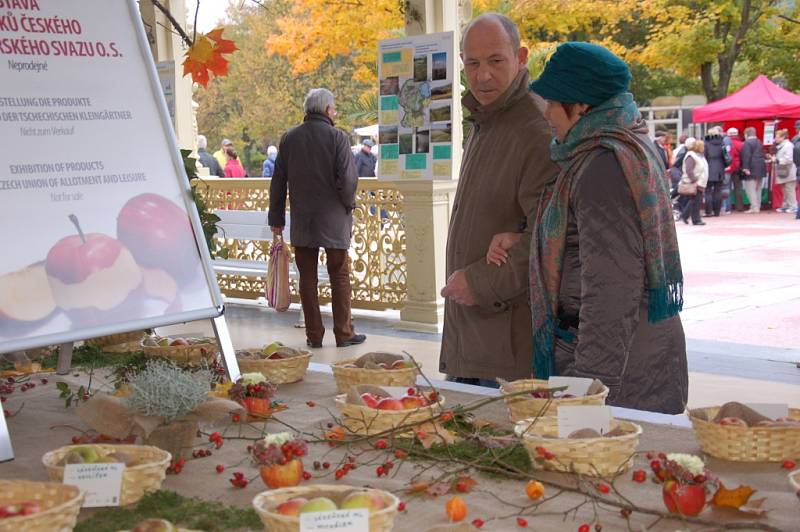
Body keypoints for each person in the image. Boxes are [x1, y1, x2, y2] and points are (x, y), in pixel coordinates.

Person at [491, 42, 687, 413]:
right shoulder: (619, 144)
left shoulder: (604, 166)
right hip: (635, 357)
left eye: (552, 102)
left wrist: (588, 389)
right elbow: (592, 242)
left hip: (624, 373)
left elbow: (612, 288)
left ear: (580, 105)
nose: (547, 113)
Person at [438, 13, 557, 386]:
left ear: (521, 57)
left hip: (505, 343)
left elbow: (549, 238)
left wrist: (479, 283)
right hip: (473, 334)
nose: (482, 75)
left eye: (495, 61)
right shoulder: (487, 118)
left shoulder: (535, 129)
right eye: (472, 63)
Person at [269, 88, 366, 349]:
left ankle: (314, 335)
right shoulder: (338, 138)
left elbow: (278, 182)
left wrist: (276, 218)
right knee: (339, 275)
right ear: (327, 110)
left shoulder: (289, 139)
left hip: (303, 220)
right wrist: (348, 205)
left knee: (307, 278)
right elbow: (347, 180)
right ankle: (344, 333)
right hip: (333, 218)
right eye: (333, 109)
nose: (334, 113)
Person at [679, 139, 708, 225]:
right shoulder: (691, 156)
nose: (704, 148)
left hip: (700, 182)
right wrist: (694, 180)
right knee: (696, 201)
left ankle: (685, 216)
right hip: (695, 182)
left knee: (695, 201)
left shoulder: (699, 156)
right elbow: (689, 170)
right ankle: (696, 220)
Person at [739, 127, 766, 213]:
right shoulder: (759, 142)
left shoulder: (747, 143)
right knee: (758, 188)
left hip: (751, 167)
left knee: (750, 189)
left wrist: (745, 168)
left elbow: (746, 156)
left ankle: (754, 207)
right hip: (761, 167)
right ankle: (758, 205)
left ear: (746, 134)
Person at [772, 128, 798, 213]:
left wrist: (777, 160)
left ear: (782, 137)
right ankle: (786, 205)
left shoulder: (788, 145)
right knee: (784, 188)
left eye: (777, 137)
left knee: (789, 188)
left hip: (788, 170)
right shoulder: (781, 145)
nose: (775, 138)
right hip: (782, 170)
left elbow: (789, 159)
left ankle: (793, 206)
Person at [704, 126, 726, 217]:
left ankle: (709, 211)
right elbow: (726, 157)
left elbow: (704, 157)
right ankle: (717, 211)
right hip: (720, 168)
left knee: (708, 191)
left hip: (708, 168)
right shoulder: (722, 143)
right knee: (718, 191)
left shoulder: (706, 144)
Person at [724, 127, 744, 212]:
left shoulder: (725, 142)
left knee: (726, 187)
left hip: (727, 167)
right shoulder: (741, 144)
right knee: (738, 187)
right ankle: (739, 207)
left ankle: (727, 208)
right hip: (737, 167)